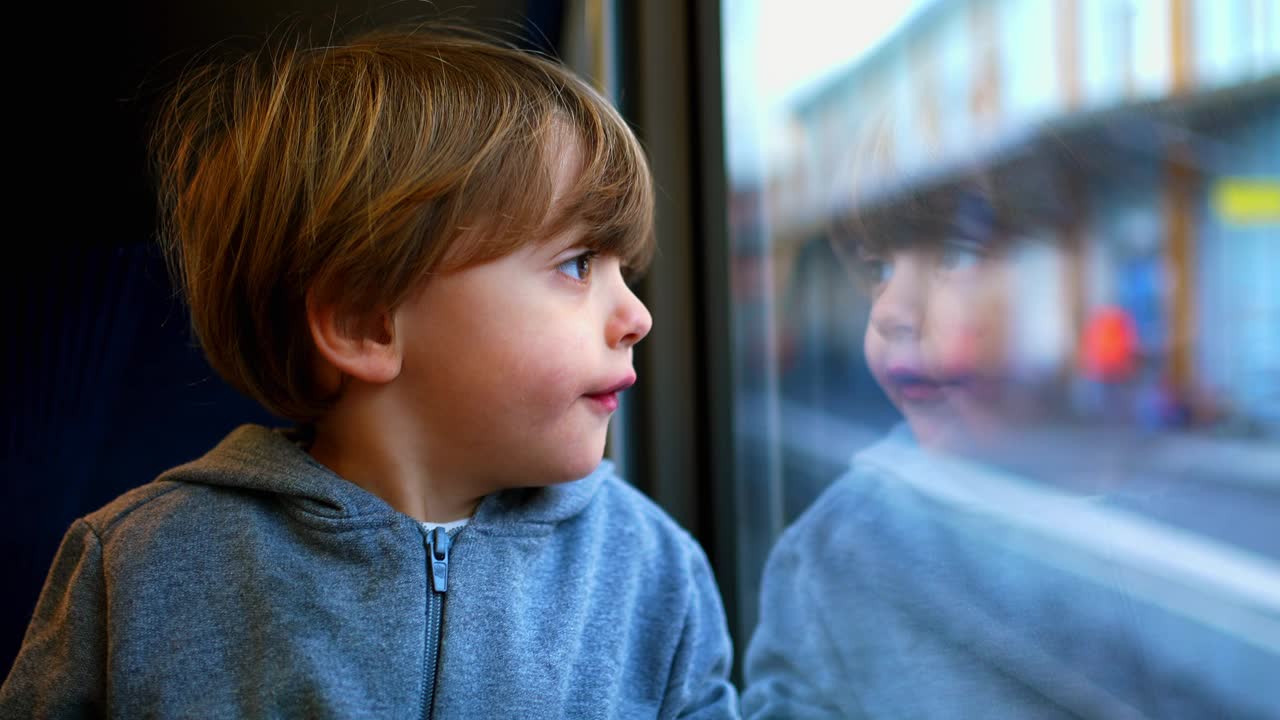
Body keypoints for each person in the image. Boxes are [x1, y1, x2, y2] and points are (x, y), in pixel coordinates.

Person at [1, 27, 738, 718]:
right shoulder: (138, 567)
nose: (636, 315)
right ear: (365, 324)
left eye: (624, 268)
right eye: (577, 266)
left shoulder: (653, 571)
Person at [741, 170, 1277, 718]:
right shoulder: (839, 551)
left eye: (958, 256)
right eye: (878, 270)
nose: (888, 311)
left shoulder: (1198, 501)